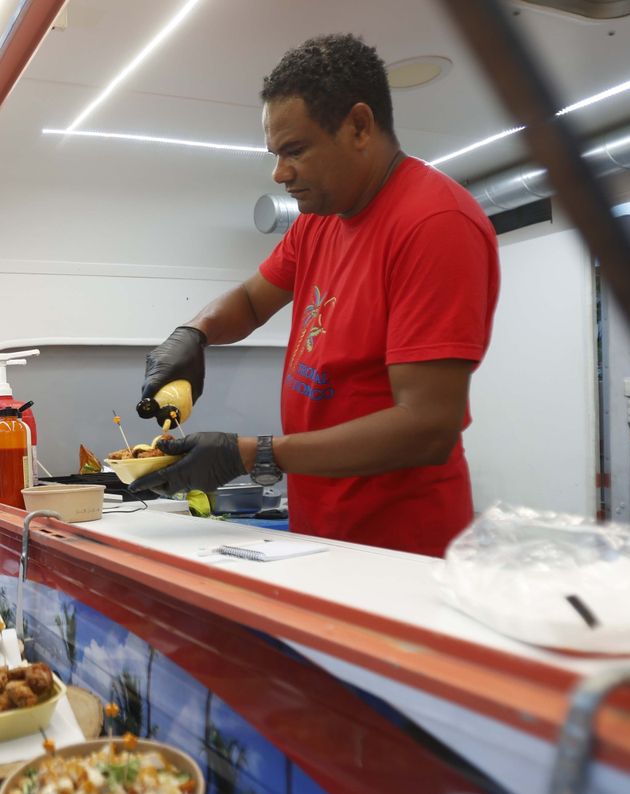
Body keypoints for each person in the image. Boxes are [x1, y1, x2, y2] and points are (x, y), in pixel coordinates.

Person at [133, 33, 500, 557]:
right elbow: (253, 301)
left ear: (358, 126)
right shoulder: (321, 222)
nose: (280, 173)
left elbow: (427, 426)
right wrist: (193, 334)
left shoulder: (435, 224)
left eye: (295, 151)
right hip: (323, 531)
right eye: (275, 154)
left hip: (400, 548)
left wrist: (253, 454)